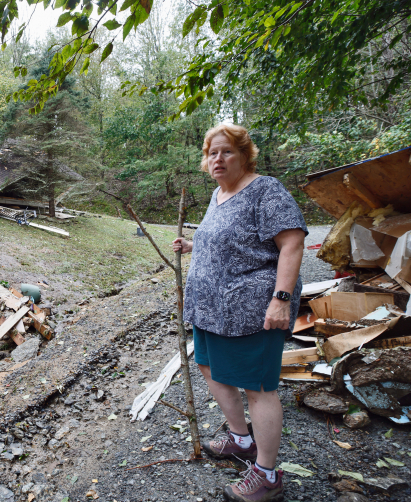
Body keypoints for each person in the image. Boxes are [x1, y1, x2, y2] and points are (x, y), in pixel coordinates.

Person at [172, 124, 307, 502]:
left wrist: (281, 298)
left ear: (245, 155)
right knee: (209, 367)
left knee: (257, 387)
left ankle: (267, 475)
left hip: (251, 312)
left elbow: (292, 241)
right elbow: (229, 241)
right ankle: (241, 439)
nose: (217, 159)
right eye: (212, 153)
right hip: (211, 310)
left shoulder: (265, 190)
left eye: (226, 151)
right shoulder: (219, 194)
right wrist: (192, 245)